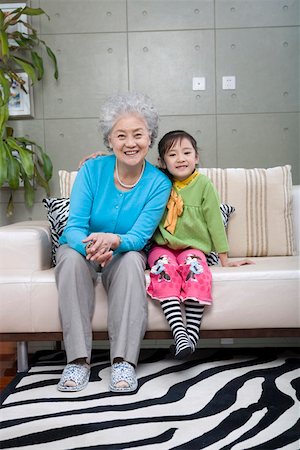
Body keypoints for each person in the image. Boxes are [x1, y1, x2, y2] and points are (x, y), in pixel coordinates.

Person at [55, 92, 172, 393]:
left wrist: (115, 242)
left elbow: (138, 237)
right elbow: (74, 227)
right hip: (84, 249)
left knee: (134, 258)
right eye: (121, 135)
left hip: (123, 252)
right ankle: (78, 361)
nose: (130, 143)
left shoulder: (159, 184)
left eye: (138, 134)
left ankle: (123, 362)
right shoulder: (92, 170)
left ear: (150, 138)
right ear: (109, 140)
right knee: (67, 257)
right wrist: (93, 250)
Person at [147, 130, 253, 359]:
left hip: (193, 249)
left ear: (196, 157)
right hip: (162, 248)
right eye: (172, 154)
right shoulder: (157, 181)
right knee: (163, 271)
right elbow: (131, 169)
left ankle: (191, 335)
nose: (181, 158)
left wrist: (225, 259)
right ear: (162, 162)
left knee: (196, 274)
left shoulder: (204, 184)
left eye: (187, 152)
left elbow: (215, 222)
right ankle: (180, 334)